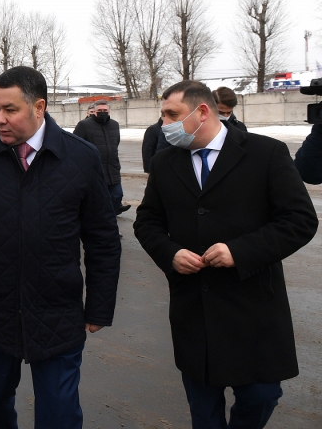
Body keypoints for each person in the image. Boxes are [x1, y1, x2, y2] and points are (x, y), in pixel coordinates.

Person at [0, 66, 121, 429]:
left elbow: (103, 238)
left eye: (10, 109)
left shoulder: (80, 157)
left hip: (57, 312)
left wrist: (99, 306)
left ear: (39, 107)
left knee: (59, 413)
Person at [133, 80, 318, 429]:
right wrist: (170, 253)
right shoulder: (164, 163)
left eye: (172, 115)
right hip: (194, 308)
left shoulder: (266, 153)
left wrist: (240, 251)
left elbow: (300, 220)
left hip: (253, 306)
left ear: (202, 111)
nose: (164, 124)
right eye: (162, 116)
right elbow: (147, 222)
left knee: (262, 394)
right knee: (203, 409)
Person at [73, 100, 131, 215]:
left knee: (117, 195)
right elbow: (75, 145)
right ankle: (103, 225)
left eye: (105, 110)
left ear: (109, 111)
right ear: (94, 111)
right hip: (94, 169)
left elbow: (116, 143)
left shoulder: (115, 125)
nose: (103, 113)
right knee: (98, 201)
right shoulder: (84, 125)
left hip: (112, 168)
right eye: (100, 111)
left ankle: (110, 220)